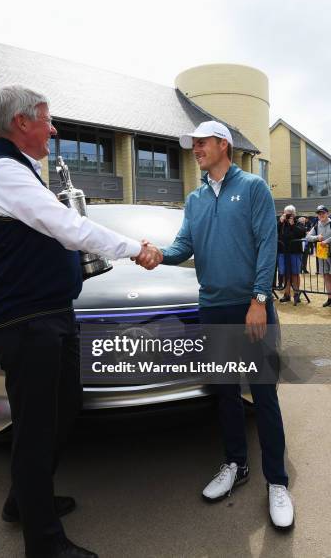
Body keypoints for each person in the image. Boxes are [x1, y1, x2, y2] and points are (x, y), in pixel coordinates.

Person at [0, 84, 156, 558]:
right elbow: (68, 228)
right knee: (35, 428)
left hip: (48, 316)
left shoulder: (19, 171)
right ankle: (44, 543)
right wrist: (137, 248)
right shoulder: (3, 171)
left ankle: (23, 500)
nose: (53, 129)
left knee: (63, 406)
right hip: (25, 321)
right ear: (21, 123)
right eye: (47, 119)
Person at [135, 120, 294, 530]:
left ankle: (276, 481)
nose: (195, 150)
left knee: (263, 397)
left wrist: (260, 300)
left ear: (224, 145)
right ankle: (236, 465)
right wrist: (155, 254)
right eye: (193, 145)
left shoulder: (254, 188)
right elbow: (183, 245)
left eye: (201, 143)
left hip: (250, 309)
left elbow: (266, 244)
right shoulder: (195, 198)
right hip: (213, 310)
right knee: (224, 394)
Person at [277, 205, 305, 304]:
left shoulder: (298, 222)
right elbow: (275, 232)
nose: (288, 216)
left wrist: (292, 225)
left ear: (294, 214)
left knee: (295, 273)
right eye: (286, 213)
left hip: (294, 252)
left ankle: (296, 294)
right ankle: (287, 294)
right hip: (282, 251)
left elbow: (302, 233)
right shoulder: (281, 223)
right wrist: (280, 222)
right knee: (284, 273)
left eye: (290, 213)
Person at [306, 205, 331, 307]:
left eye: (323, 213)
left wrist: (327, 241)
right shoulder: (317, 225)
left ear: (327, 213)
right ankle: (329, 298)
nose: (321, 215)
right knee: (326, 276)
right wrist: (317, 237)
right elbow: (308, 237)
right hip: (322, 255)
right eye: (319, 213)